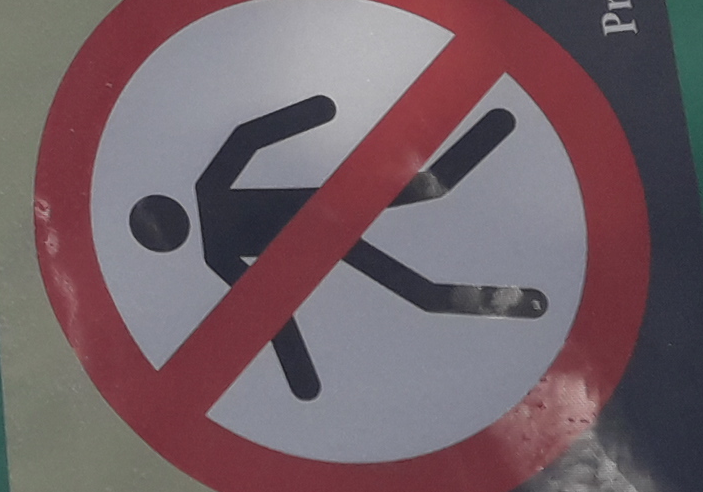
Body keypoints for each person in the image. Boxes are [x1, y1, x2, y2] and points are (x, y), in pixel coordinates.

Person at [128, 96, 544, 400]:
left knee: (419, 282)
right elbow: (247, 139)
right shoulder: (209, 195)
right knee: (422, 197)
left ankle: (497, 126)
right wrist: (316, 111)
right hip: (328, 219)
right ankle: (498, 124)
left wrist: (301, 376)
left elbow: (269, 308)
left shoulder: (212, 242)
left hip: (326, 223)